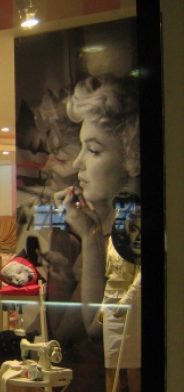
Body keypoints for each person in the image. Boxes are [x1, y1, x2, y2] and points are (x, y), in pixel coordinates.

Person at [50, 74, 140, 342]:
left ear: (131, 156)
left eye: (93, 150)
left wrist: (89, 235)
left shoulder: (130, 231)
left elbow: (96, 324)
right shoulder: (117, 225)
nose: (78, 163)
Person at [100, 199, 141, 392]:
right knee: (111, 361)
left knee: (132, 362)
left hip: (131, 303)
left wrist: (126, 300)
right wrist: (103, 304)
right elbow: (108, 275)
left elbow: (141, 275)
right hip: (110, 299)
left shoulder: (138, 239)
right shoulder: (111, 241)